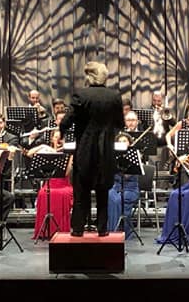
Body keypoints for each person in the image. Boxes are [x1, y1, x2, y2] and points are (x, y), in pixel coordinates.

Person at [60, 61, 124, 236]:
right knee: (103, 195)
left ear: (89, 77)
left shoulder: (81, 95)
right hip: (106, 153)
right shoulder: (114, 96)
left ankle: (78, 230)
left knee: (81, 195)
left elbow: (68, 120)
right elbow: (120, 124)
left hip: (85, 153)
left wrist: (61, 131)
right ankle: (102, 230)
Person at [27, 129, 73, 239]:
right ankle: (45, 231)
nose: (59, 140)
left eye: (61, 138)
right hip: (49, 184)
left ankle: (60, 230)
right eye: (56, 137)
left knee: (64, 194)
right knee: (43, 194)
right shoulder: (46, 151)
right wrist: (43, 147)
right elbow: (29, 153)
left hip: (63, 185)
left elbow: (65, 173)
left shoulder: (69, 153)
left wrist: (65, 155)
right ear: (52, 139)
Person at [107, 132, 141, 239]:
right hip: (116, 186)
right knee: (109, 196)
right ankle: (111, 230)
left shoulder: (135, 155)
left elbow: (126, 176)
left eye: (124, 141)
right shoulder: (112, 156)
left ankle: (121, 231)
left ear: (130, 144)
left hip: (130, 189)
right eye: (119, 141)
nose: (122, 143)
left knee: (118, 200)